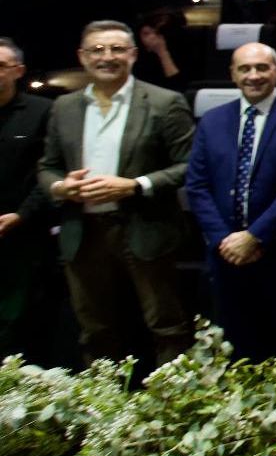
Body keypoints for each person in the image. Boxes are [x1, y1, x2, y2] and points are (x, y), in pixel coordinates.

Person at [36, 22, 194, 365]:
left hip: (146, 228)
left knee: (165, 326)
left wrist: (136, 185)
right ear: (82, 56)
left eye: (117, 49)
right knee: (96, 330)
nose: (107, 57)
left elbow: (189, 166)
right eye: (97, 50)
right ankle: (104, 409)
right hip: (83, 232)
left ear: (134, 55)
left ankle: (174, 409)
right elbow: (46, 167)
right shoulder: (63, 107)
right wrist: (61, 187)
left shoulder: (166, 102)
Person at [184, 42, 276, 362]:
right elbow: (197, 185)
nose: (254, 75)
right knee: (237, 345)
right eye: (245, 68)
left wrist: (255, 236)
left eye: (261, 68)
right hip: (226, 255)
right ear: (232, 73)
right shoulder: (213, 120)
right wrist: (225, 241)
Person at [0, 38, 53, 359]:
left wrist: (22, 214)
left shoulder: (42, 112)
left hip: (22, 237)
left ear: (19, 71)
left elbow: (48, 172)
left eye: (1, 66)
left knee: (15, 325)